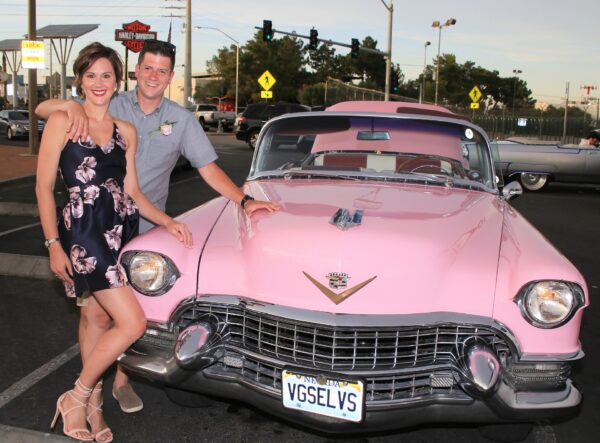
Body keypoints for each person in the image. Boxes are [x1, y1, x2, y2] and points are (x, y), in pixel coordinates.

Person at [36, 39, 279, 414]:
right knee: (95, 313)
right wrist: (68, 103)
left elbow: (209, 168)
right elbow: (46, 109)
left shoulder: (180, 119)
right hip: (92, 227)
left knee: (134, 315)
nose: (153, 76)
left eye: (162, 71)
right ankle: (90, 394)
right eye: (147, 68)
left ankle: (121, 378)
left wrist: (244, 201)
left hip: (145, 227)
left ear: (170, 76)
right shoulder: (111, 98)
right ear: (134, 72)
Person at [36, 42, 193, 442]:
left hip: (118, 229)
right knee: (133, 321)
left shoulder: (127, 131)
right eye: (90, 76)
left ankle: (91, 405)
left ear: (117, 80)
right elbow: (41, 187)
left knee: (98, 318)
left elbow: (134, 192)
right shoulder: (64, 120)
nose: (99, 83)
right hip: (84, 233)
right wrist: (53, 242)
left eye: (106, 75)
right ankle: (78, 394)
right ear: (80, 80)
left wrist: (167, 220)